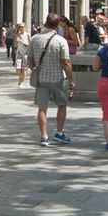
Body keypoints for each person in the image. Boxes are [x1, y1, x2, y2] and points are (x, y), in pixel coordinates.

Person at [30, 15, 74, 146]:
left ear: (45, 24)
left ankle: (44, 136)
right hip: (57, 78)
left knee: (42, 108)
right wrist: (71, 80)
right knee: (62, 105)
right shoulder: (60, 40)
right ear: (57, 25)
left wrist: (35, 67)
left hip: (41, 78)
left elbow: (30, 59)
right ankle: (59, 133)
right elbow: (66, 62)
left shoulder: (34, 39)